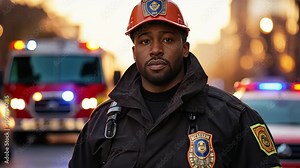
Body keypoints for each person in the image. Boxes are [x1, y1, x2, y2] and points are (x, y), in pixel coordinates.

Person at [69, 0, 282, 167]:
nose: (155, 49)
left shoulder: (234, 117)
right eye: (145, 41)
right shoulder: (103, 122)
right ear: (134, 53)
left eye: (168, 39)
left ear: (185, 48)